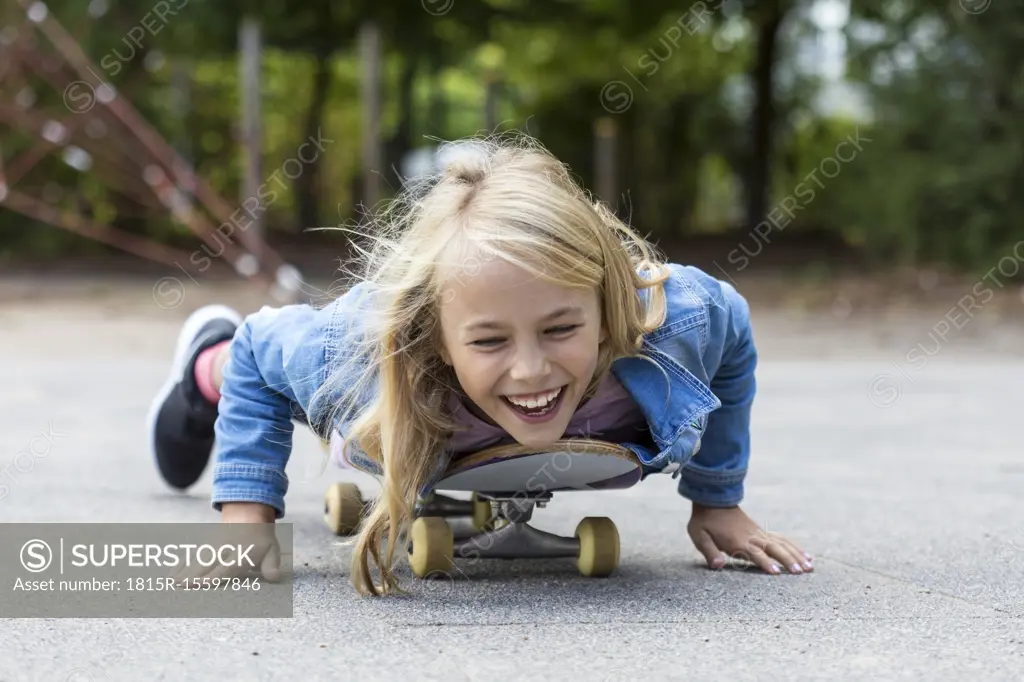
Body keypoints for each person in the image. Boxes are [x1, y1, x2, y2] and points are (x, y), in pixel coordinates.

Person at [147, 134, 814, 596]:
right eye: (491, 342)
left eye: (560, 329)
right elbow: (263, 352)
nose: (530, 370)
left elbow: (734, 334)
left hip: (469, 421)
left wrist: (717, 501)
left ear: (608, 309)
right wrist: (247, 521)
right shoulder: (354, 359)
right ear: (437, 339)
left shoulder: (678, 319)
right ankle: (203, 358)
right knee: (238, 356)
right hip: (332, 363)